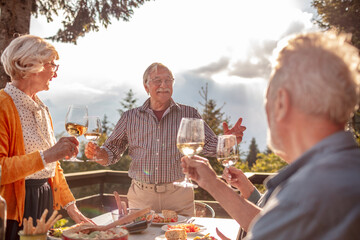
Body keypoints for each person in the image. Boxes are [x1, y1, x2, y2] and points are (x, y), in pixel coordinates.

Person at [181, 31, 360, 239]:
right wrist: (212, 182)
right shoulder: (344, 173)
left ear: (282, 102)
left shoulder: (307, 193)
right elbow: (272, 222)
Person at [85, 62, 246, 216]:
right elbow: (112, 151)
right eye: (157, 80)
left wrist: (229, 140)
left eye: (168, 80)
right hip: (141, 197)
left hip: (179, 195)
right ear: (146, 86)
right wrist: (99, 154)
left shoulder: (189, 114)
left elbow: (209, 145)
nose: (164, 84)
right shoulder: (130, 117)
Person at [0, 35, 92, 240]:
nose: (55, 73)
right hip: (15, 208)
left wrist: (72, 208)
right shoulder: (2, 106)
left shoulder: (41, 108)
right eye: (52, 65)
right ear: (30, 65)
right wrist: (48, 155)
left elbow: (53, 165)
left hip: (44, 199)